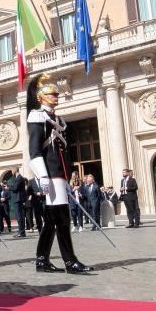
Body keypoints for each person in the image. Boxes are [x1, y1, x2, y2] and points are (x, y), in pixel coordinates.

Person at [26, 74, 92, 274]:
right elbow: (35, 149)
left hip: (59, 173)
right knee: (62, 219)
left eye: (56, 94)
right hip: (51, 172)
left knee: (53, 220)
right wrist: (42, 176)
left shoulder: (58, 119)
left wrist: (68, 173)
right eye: (51, 94)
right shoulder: (37, 116)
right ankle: (70, 261)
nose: (56, 96)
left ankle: (42, 259)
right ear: (41, 97)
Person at [10, 168, 29, 238]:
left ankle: (21, 232)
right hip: (17, 199)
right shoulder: (18, 178)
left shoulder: (19, 178)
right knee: (19, 216)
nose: (11, 172)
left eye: (12, 170)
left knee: (19, 216)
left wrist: (9, 187)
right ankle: (21, 232)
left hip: (18, 199)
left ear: (15, 170)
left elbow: (15, 188)